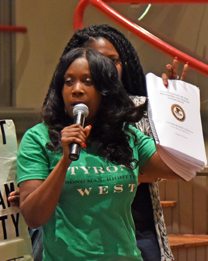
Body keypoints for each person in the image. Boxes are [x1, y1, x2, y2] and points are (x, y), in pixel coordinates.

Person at [16, 47, 182, 260]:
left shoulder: (127, 136)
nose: (76, 89)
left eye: (88, 81)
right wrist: (64, 162)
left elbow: (178, 167)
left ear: (105, 90)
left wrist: (174, 109)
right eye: (68, 81)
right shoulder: (38, 138)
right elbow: (33, 217)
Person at [60, 24, 189, 261]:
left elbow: (162, 167)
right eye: (100, 60)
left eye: (114, 60)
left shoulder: (142, 107)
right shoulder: (66, 112)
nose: (107, 67)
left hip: (139, 225)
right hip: (82, 231)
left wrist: (172, 106)